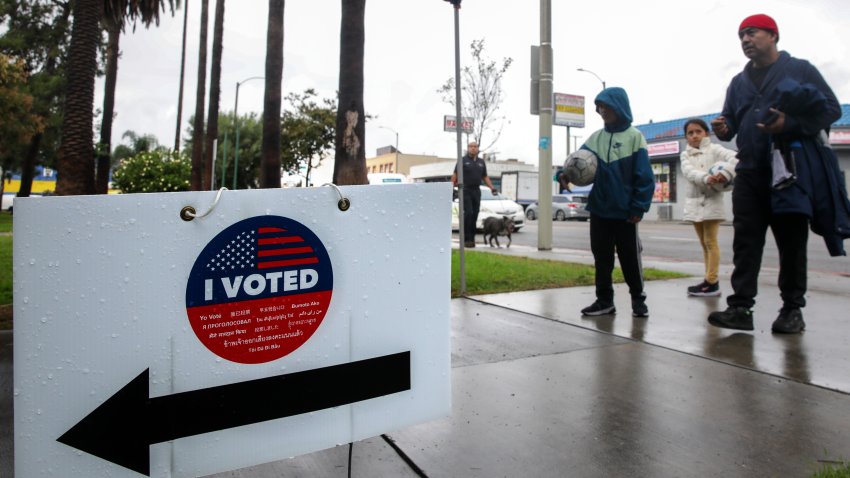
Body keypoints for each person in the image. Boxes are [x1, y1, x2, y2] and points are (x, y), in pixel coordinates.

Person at [708, 13, 842, 334]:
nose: (745, 40)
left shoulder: (800, 69)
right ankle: (741, 308)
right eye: (741, 36)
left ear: (773, 35)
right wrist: (725, 128)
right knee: (746, 241)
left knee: (791, 242)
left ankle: (792, 310)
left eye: (751, 33)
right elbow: (732, 123)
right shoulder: (738, 83)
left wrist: (791, 125)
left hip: (787, 172)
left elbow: (830, 109)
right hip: (751, 172)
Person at [563, 87, 655, 318]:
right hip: (599, 210)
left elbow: (644, 177)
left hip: (625, 213)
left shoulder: (635, 137)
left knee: (630, 258)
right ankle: (604, 301)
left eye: (606, 106)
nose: (602, 111)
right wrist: (563, 175)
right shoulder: (596, 138)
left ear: (620, 106)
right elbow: (576, 164)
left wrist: (638, 206)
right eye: (599, 108)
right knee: (602, 258)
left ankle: (638, 299)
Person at [680, 118, 738, 297]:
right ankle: (708, 280)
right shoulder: (685, 155)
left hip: (713, 202)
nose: (694, 135)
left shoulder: (715, 149)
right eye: (690, 133)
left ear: (706, 133)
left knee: (711, 242)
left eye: (698, 131)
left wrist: (725, 173)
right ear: (687, 137)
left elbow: (736, 158)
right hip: (694, 204)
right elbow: (689, 172)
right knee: (704, 244)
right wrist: (707, 178)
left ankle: (712, 281)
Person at [452, 141, 497, 248]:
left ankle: (472, 239)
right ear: (468, 148)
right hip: (465, 190)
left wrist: (492, 188)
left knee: (475, 214)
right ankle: (466, 239)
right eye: (471, 146)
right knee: (468, 213)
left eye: (475, 147)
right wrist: (452, 187)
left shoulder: (481, 162)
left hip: (476, 191)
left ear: (478, 149)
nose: (473, 148)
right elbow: (455, 175)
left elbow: (485, 177)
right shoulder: (462, 160)